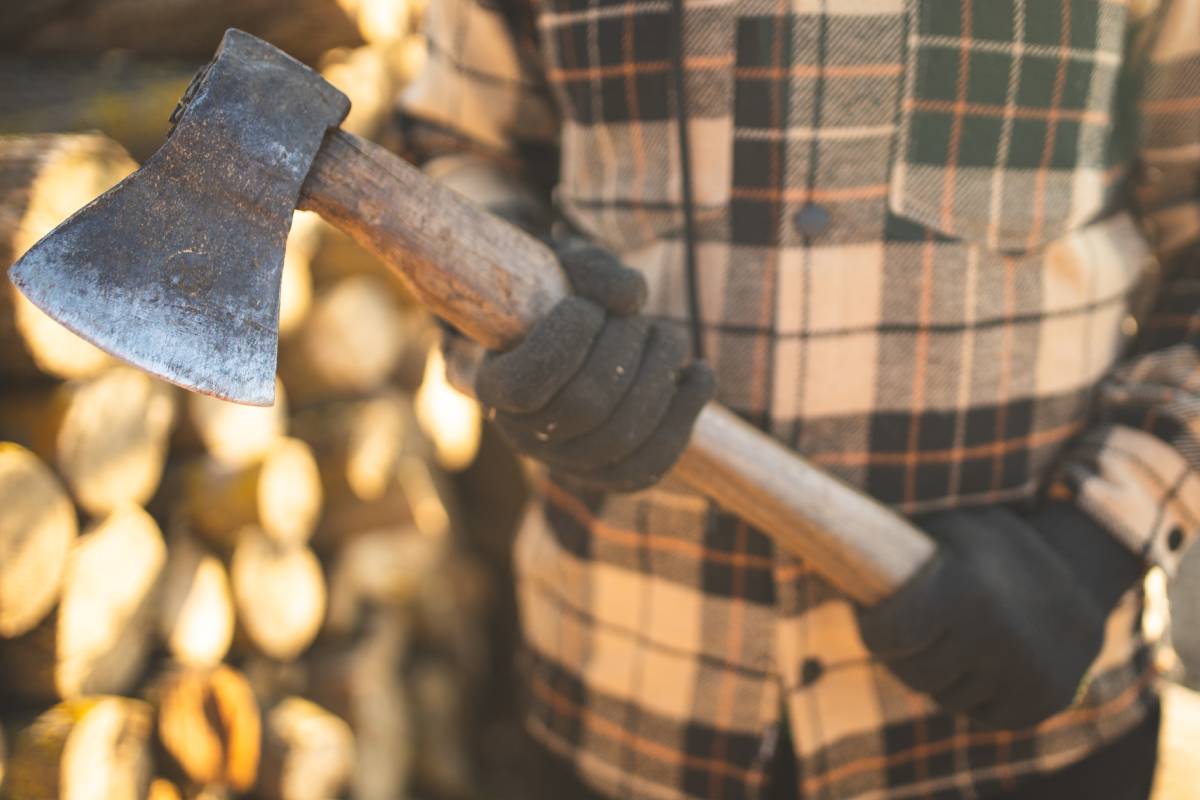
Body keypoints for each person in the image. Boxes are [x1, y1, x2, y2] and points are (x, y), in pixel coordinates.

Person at [397, 0, 1199, 797]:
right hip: (621, 697)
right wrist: (527, 335)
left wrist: (1096, 541)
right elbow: (464, 148)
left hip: (1023, 714)